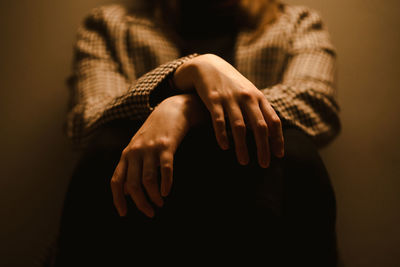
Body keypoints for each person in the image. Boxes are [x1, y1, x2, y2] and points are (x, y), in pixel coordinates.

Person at [52, 0, 341, 266]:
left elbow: (316, 103)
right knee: (106, 146)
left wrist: (186, 107)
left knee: (296, 148)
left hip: (258, 202)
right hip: (149, 204)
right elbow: (87, 120)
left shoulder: (296, 23)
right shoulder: (109, 25)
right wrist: (183, 74)